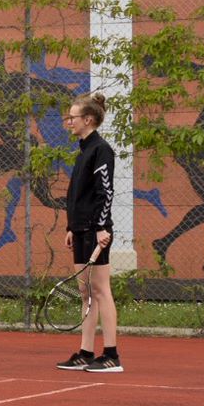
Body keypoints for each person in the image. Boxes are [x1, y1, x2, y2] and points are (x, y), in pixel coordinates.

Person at [55, 92, 122, 373]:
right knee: (86, 293)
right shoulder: (83, 149)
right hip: (81, 229)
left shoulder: (101, 149)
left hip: (96, 231)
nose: (68, 121)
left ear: (88, 119)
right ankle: (85, 351)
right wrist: (72, 226)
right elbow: (77, 194)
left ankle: (111, 355)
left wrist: (101, 227)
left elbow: (104, 192)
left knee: (101, 290)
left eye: (73, 117)